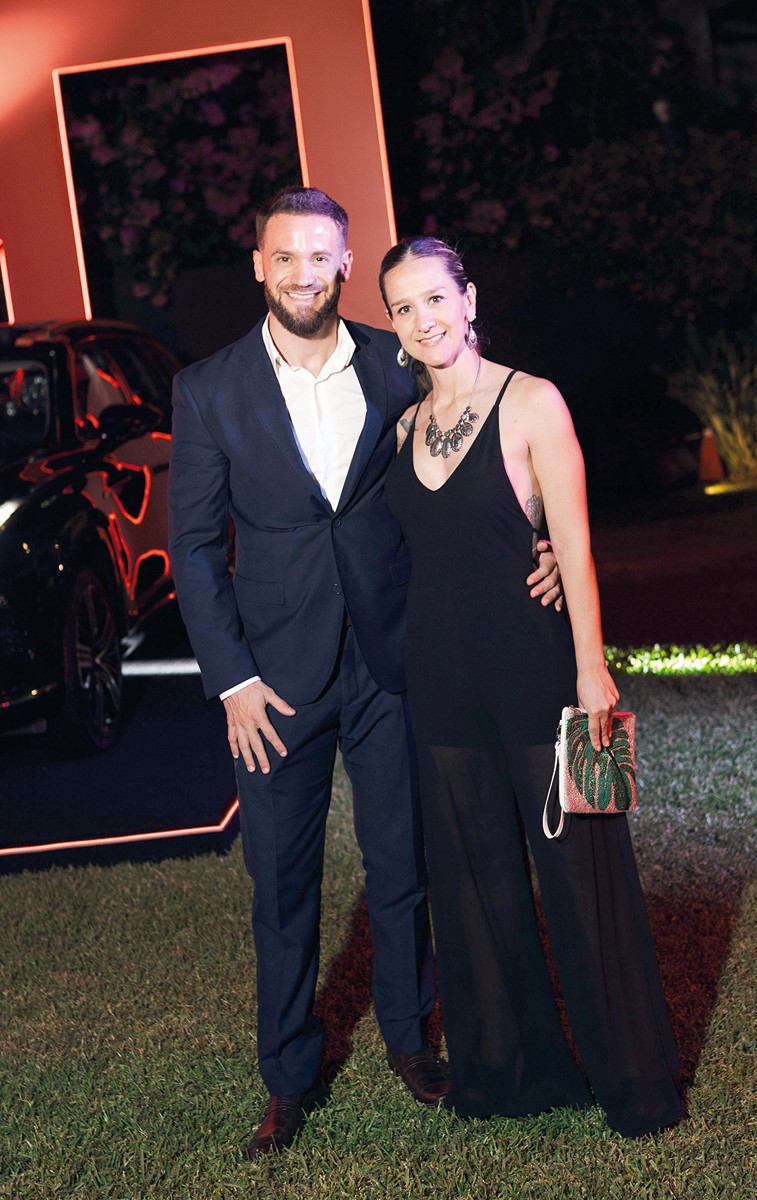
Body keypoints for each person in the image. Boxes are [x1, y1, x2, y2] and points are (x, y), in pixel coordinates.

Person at [167, 188, 563, 1157]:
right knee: (281, 888)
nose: (303, 273)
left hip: (393, 662)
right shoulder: (207, 389)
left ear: (346, 264)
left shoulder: (395, 361)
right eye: (285, 256)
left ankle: (408, 1040)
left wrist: (541, 537)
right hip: (272, 685)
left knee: (401, 868)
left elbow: (467, 459)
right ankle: (287, 1077)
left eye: (321, 256)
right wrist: (232, 681)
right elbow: (192, 548)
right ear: (258, 266)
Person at [382, 237, 683, 1138]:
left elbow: (575, 549)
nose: (424, 320)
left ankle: (635, 1087)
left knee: (585, 882)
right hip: (440, 681)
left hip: (539, 672)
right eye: (403, 308)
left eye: (436, 298)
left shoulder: (533, 401)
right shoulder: (402, 427)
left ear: (469, 299)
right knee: (474, 890)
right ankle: (511, 1075)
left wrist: (592, 669)